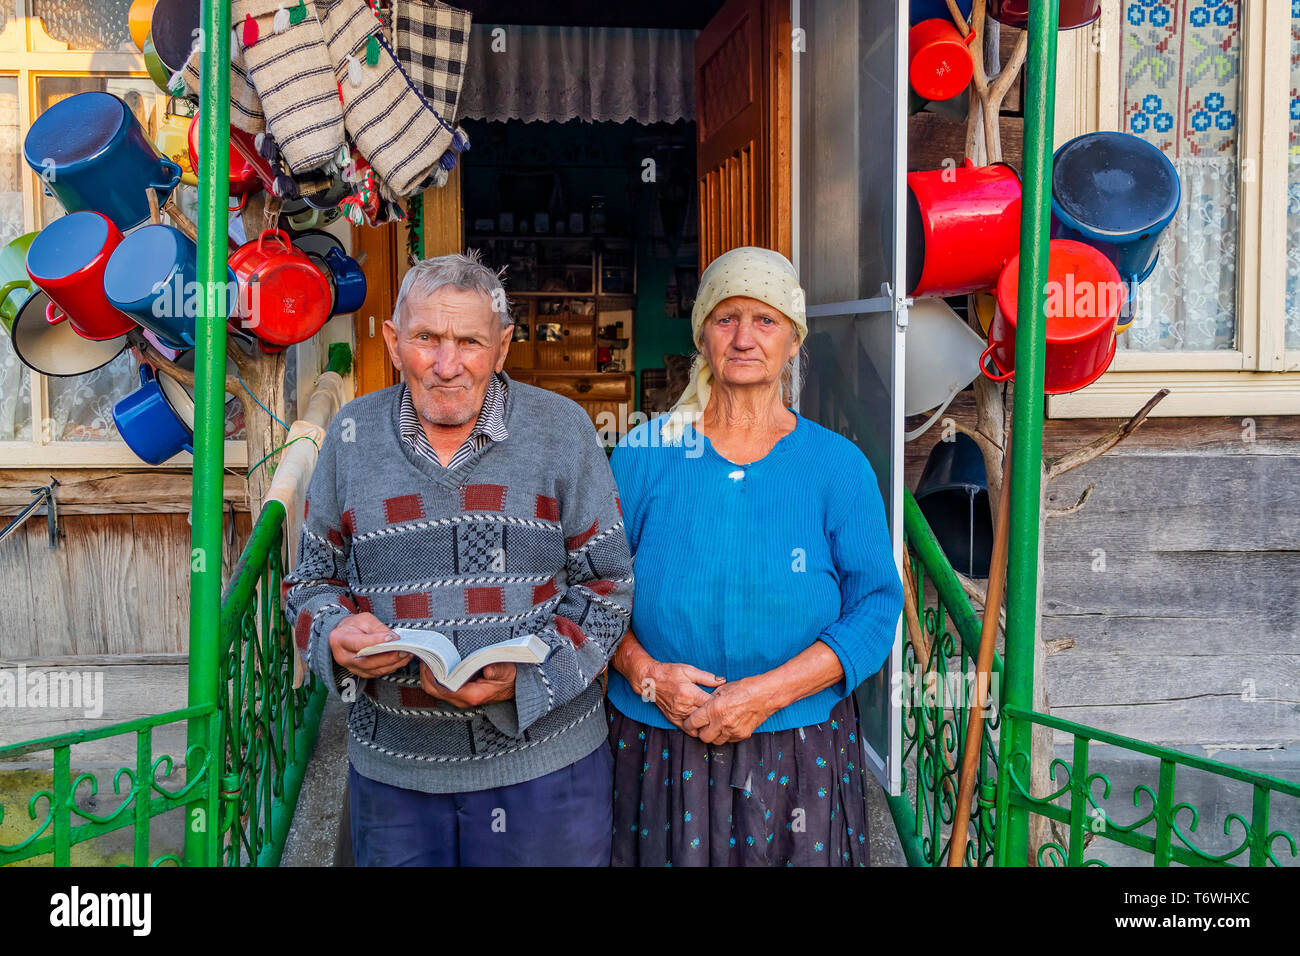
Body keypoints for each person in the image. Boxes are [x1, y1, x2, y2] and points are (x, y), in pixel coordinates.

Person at [284, 251, 632, 866]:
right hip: (397, 776)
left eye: (469, 341)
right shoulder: (350, 435)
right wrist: (334, 633)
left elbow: (608, 587)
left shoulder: (563, 430)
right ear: (393, 342)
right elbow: (311, 580)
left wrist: (528, 677)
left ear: (501, 347)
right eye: (426, 338)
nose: (447, 366)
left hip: (546, 772)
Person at [606, 246, 902, 866]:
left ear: (794, 340)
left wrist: (765, 694)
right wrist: (646, 674)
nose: (744, 337)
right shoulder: (644, 453)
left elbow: (875, 607)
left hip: (798, 746)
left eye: (765, 320)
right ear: (703, 337)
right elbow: (590, 592)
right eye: (726, 318)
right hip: (662, 737)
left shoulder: (836, 466)